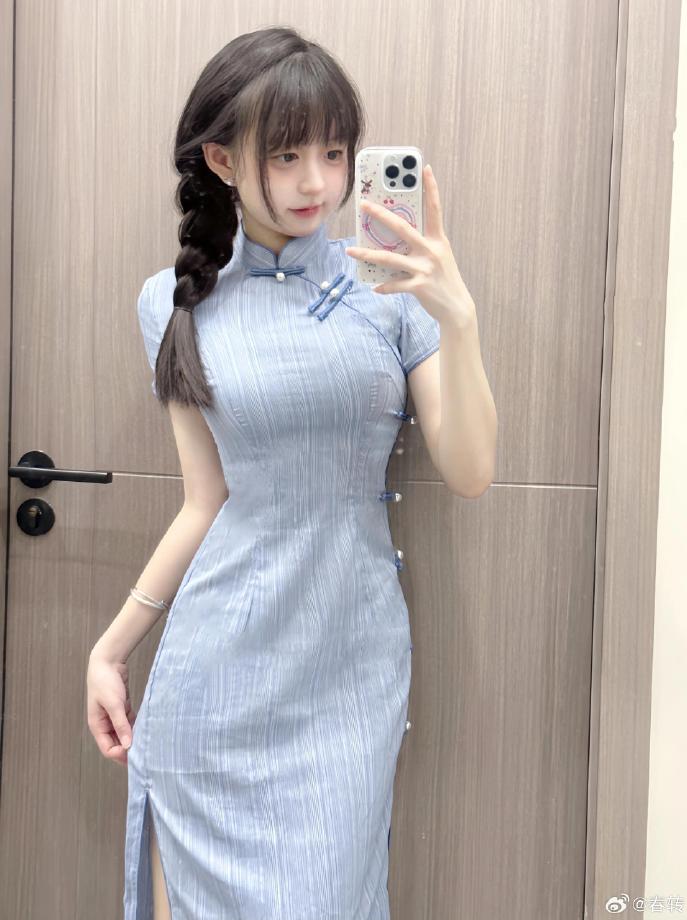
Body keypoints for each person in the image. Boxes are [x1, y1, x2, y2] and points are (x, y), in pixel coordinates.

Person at [87, 25, 457, 920]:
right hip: (214, 680)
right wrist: (111, 648)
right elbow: (205, 502)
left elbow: (472, 470)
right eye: (285, 156)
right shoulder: (172, 301)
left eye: (333, 153)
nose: (317, 183)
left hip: (348, 669)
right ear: (221, 160)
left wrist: (459, 315)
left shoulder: (389, 288)